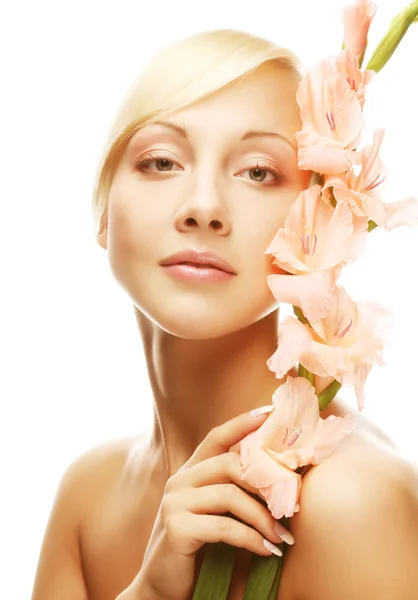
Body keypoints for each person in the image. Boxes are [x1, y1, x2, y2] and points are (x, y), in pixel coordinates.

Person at [31, 28, 418, 600]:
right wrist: (148, 593)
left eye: (259, 171)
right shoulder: (89, 496)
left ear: (315, 224)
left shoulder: (352, 503)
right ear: (103, 212)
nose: (204, 208)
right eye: (162, 162)